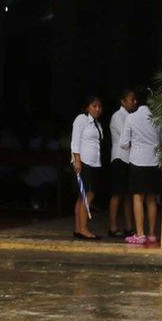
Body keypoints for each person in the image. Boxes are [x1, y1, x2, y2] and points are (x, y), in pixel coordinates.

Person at [124, 88, 162, 247]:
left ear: (137, 101)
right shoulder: (157, 118)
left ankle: (140, 234)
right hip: (154, 161)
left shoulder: (131, 118)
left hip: (138, 161)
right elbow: (161, 141)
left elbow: (124, 142)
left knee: (137, 197)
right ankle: (152, 234)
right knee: (152, 198)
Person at [70, 96, 105, 241]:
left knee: (83, 196)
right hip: (84, 162)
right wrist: (77, 160)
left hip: (94, 162)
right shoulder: (81, 119)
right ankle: (83, 229)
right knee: (87, 195)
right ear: (87, 107)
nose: (97, 109)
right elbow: (75, 140)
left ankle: (79, 229)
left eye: (99, 107)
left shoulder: (96, 123)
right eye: (94, 106)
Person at [106, 88, 135, 238]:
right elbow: (125, 139)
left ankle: (129, 226)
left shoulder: (130, 116)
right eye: (131, 99)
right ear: (123, 101)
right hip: (119, 158)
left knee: (128, 195)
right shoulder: (117, 116)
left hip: (129, 158)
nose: (134, 102)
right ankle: (112, 226)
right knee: (117, 194)